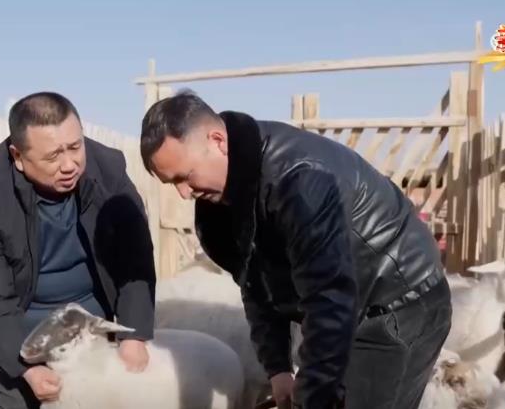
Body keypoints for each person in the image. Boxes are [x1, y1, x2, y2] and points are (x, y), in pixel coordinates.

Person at [139, 91, 452, 409]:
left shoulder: (299, 180)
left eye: (185, 176)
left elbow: (329, 297)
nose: (183, 193)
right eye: (172, 183)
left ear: (218, 141)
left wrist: (312, 395)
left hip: (398, 303)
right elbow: (256, 285)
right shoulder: (222, 204)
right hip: (348, 309)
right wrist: (278, 369)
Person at [0, 92, 156, 409]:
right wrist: (26, 368)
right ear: (18, 156)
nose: (70, 165)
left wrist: (134, 335)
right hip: (19, 341)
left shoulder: (108, 172)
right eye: (53, 156)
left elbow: (135, 257)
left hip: (95, 338)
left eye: (75, 147)